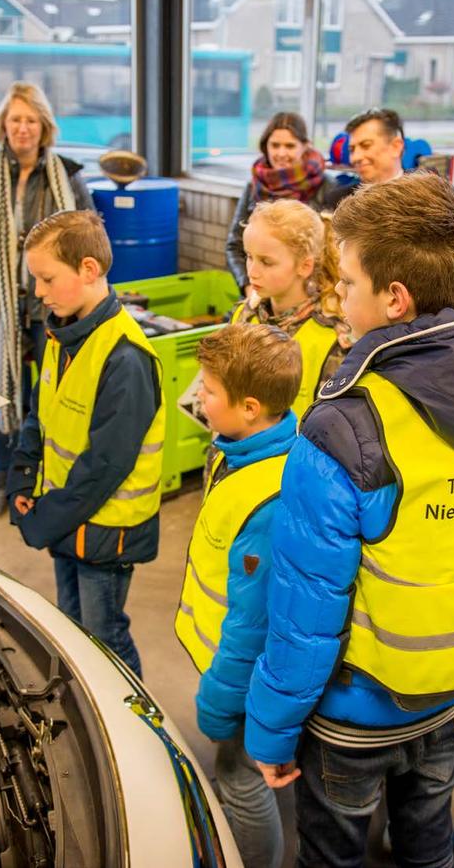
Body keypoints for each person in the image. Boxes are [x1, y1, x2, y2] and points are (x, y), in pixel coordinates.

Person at [243, 171, 454, 868]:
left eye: (350, 282)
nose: (339, 296)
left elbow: (306, 614)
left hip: (358, 715)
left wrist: (270, 734)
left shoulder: (347, 429)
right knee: (427, 842)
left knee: (334, 851)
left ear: (394, 299)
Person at [6, 210, 163, 678]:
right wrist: (22, 479)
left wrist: (44, 520)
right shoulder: (63, 333)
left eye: (47, 278)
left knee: (105, 635)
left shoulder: (125, 357)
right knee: (72, 628)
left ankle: (138, 720)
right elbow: (41, 417)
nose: (39, 291)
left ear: (89, 270)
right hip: (65, 521)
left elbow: (104, 466)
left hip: (103, 535)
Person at [176, 322, 301, 868]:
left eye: (208, 389)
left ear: (250, 407)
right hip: (231, 664)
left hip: (247, 679)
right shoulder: (243, 451)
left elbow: (251, 625)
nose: (198, 395)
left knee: (240, 776)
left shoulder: (267, 500)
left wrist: (219, 704)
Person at [0, 81, 95, 522]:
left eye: (31, 120)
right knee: (2, 397)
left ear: (44, 126)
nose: (23, 128)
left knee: (49, 395)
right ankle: (4, 482)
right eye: (15, 120)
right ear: (3, 125)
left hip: (51, 307)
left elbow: (90, 237)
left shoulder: (66, 177)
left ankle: (45, 480)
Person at [232, 198, 349, 416]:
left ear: (304, 266)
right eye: (249, 257)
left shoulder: (334, 337)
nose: (253, 271)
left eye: (267, 262)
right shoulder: (244, 317)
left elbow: (333, 422)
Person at [225, 111, 346, 294]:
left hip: (312, 293)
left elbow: (334, 250)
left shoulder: (327, 186)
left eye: (290, 146)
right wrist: (248, 286)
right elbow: (234, 245)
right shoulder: (254, 185)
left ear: (305, 146)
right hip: (260, 291)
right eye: (275, 145)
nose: (281, 153)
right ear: (265, 146)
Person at [343, 106, 406, 185]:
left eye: (366, 145)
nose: (355, 158)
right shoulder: (338, 197)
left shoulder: (423, 195)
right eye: (351, 150)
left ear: (396, 147)